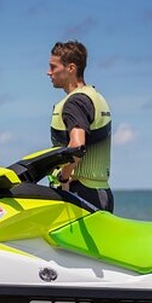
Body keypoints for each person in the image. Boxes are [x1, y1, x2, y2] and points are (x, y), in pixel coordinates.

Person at [47, 40, 114, 212]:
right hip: (101, 192)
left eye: (53, 67)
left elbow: (77, 146)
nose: (49, 72)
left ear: (70, 68)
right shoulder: (95, 96)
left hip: (79, 192)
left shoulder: (74, 102)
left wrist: (64, 177)